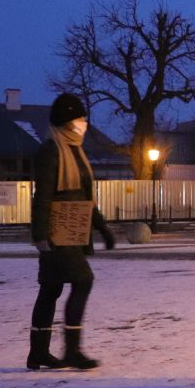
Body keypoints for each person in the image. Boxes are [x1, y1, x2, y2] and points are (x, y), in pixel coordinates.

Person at [28, 93, 115, 371]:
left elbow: (83, 196)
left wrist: (102, 227)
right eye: (79, 118)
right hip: (57, 231)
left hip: (74, 230)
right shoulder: (51, 151)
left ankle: (38, 353)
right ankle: (72, 350)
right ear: (67, 121)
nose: (84, 123)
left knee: (51, 289)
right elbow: (42, 196)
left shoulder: (75, 149)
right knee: (83, 280)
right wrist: (41, 235)